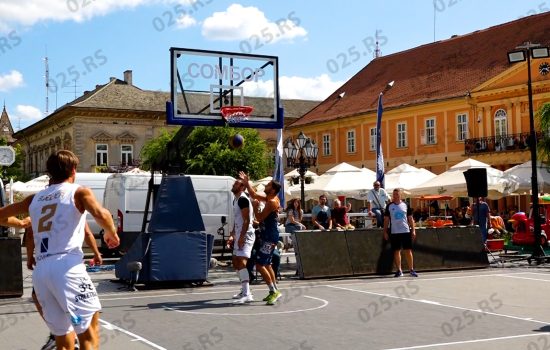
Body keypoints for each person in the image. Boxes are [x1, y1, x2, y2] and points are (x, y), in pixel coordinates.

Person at [0, 150, 119, 350]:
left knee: (63, 340)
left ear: (49, 173)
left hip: (42, 271)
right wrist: (111, 233)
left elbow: (2, 217)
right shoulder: (79, 192)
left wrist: (21, 223)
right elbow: (101, 213)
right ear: (73, 170)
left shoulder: (34, 199)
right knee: (89, 335)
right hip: (67, 267)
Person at [25, 223, 102, 350]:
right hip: (67, 267)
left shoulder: (36, 204)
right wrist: (97, 252)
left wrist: (29, 257)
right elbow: (88, 232)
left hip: (43, 268)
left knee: (38, 298)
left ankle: (59, 332)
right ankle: (72, 335)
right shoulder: (74, 203)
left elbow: (29, 234)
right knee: (90, 333)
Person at [240, 171, 282, 306]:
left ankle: (273, 291)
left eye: (268, 185)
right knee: (267, 264)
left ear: (273, 189)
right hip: (268, 234)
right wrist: (247, 183)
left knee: (259, 264)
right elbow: (253, 194)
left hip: (269, 236)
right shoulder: (271, 198)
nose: (266, 185)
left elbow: (259, 218)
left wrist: (256, 207)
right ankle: (274, 290)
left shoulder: (271, 202)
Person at [227, 178, 256, 304]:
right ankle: (244, 289)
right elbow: (237, 219)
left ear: (242, 187)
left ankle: (247, 294)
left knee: (241, 262)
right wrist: (233, 234)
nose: (233, 185)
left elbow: (246, 220)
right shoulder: (236, 199)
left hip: (246, 234)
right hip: (239, 233)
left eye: (236, 184)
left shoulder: (243, 199)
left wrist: (242, 237)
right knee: (235, 261)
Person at [383, 188, 418, 277]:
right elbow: (386, 220)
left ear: (400, 195)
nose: (395, 196)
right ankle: (399, 270)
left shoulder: (406, 205)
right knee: (396, 251)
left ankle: (411, 270)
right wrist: (385, 232)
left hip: (405, 231)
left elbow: (410, 218)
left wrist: (413, 230)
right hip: (394, 232)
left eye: (397, 194)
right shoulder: (389, 206)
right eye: (394, 195)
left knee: (408, 250)